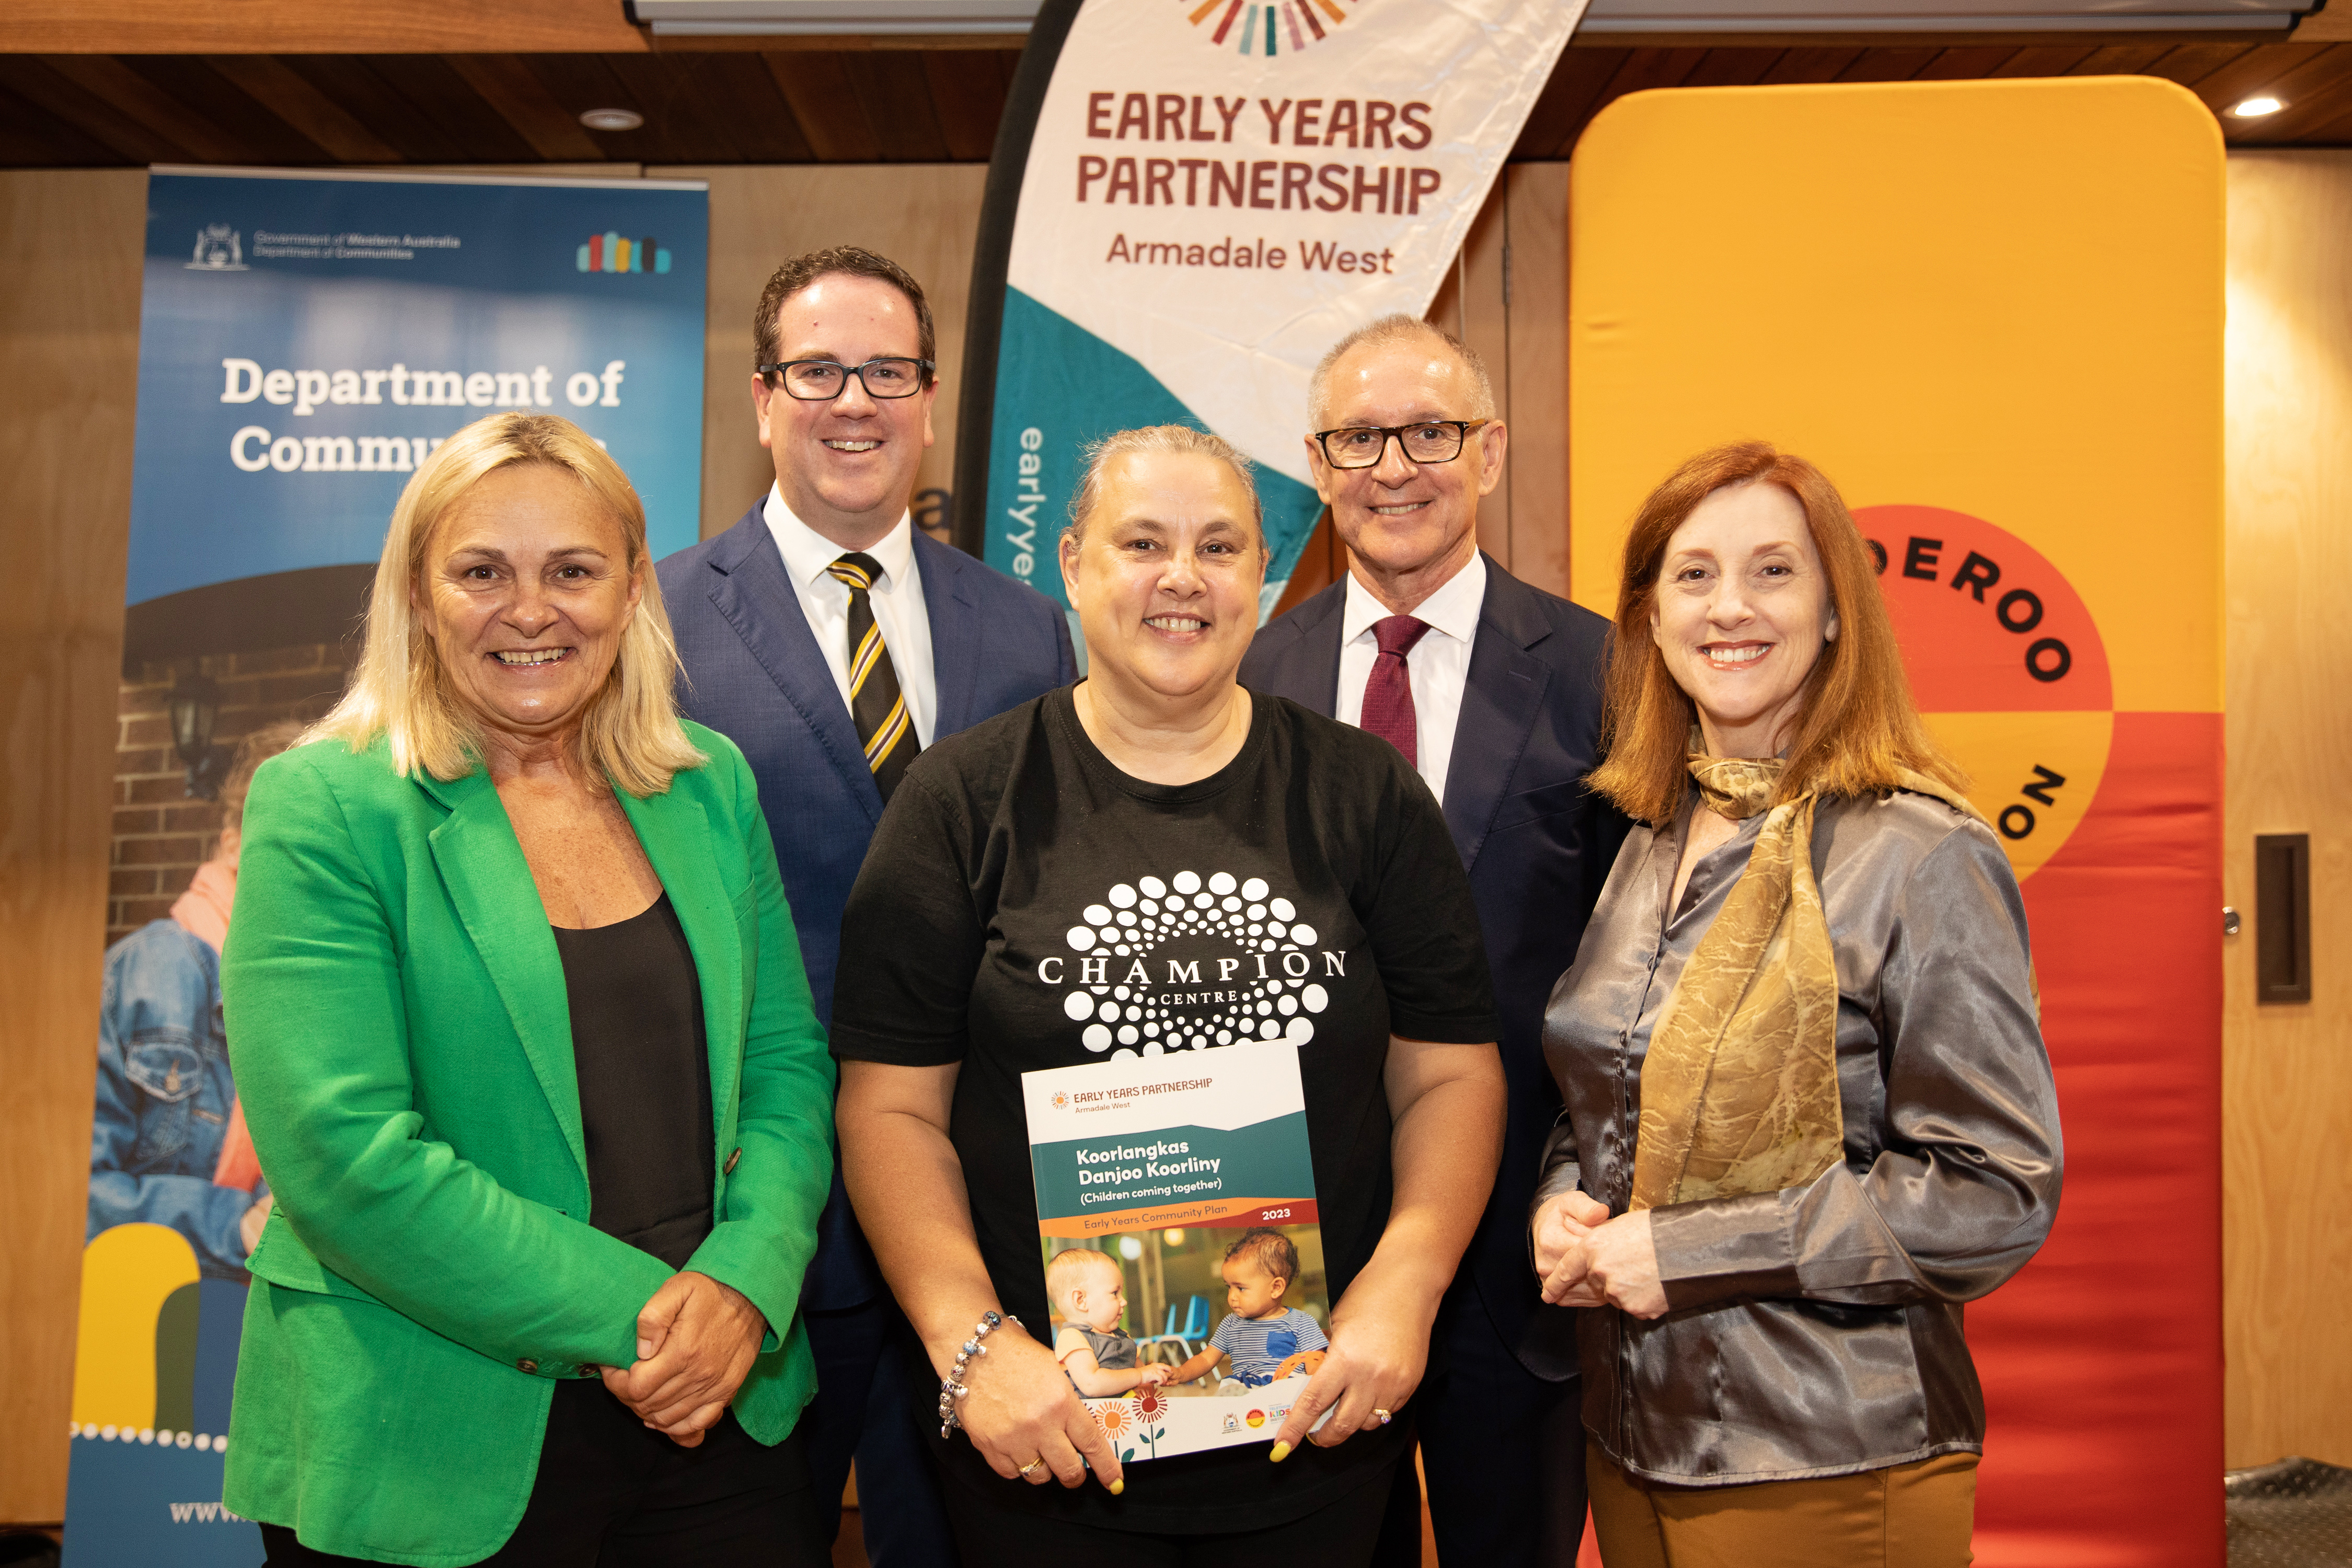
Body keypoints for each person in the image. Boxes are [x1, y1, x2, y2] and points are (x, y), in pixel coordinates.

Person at [829, 424, 1507, 1567]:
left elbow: (1449, 1072)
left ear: (1260, 576)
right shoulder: (961, 802)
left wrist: (1409, 1282)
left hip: (1317, 1421)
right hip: (1045, 1437)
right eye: (1142, 543)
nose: (1182, 578)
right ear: (1072, 563)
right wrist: (970, 1341)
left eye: (1220, 546)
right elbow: (889, 1109)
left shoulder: (1363, 795)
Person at [220, 413, 838, 1566]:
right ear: (418, 595)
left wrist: (745, 1288)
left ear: (632, 590)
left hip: (722, 1418)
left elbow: (787, 1070)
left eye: (573, 570)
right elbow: (345, 1156)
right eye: (481, 572)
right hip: (430, 1431)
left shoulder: (709, 789)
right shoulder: (326, 808)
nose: (531, 609)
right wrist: (657, 1323)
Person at [1530, 441, 2062, 1566]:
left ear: (1833, 613)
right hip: (1630, 1438)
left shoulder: (1923, 854)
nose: (1731, 608)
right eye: (1694, 576)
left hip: (1833, 1451)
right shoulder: (1648, 837)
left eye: (1773, 572)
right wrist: (1566, 1194)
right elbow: (1606, 1089)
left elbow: (1994, 1191)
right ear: (1651, 622)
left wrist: (1692, 1251)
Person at [658, 245, 1075, 1563]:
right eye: (820, 370)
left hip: (987, 1221)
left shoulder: (1026, 629)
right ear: (761, 397)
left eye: (886, 371)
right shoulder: (651, 621)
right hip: (756, 1223)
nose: (855, 401)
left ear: (930, 396)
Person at [1240, 314, 1618, 1565]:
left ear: (1490, 451)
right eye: (1357, 435)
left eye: (1430, 432)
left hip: (1523, 1240)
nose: (1392, 464)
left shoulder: (1600, 672)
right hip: (1293, 1236)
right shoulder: (1247, 676)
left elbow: (1641, 977)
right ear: (1315, 460)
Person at [89, 719, 303, 1278]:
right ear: (232, 842)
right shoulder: (152, 972)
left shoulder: (305, 993)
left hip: (232, 1311)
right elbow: (70, 1194)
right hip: (126, 1309)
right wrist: (232, 1224)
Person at [1168, 1230, 1330, 1390]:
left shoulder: (1302, 1322)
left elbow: (1315, 1364)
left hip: (1287, 1391)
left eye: (1241, 1288)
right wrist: (1182, 1373)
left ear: (1276, 1288)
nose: (1232, 1296)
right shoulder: (1230, 1324)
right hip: (1244, 1392)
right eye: (1229, 1287)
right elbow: (1206, 1359)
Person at [1047, 1249, 1170, 1397]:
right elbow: (1092, 1384)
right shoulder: (1072, 1337)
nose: (1124, 1301)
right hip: (1094, 1418)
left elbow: (1143, 1379)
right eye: (1115, 1293)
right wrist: (1140, 1375)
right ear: (1081, 1300)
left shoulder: (1122, 1337)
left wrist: (1154, 1374)